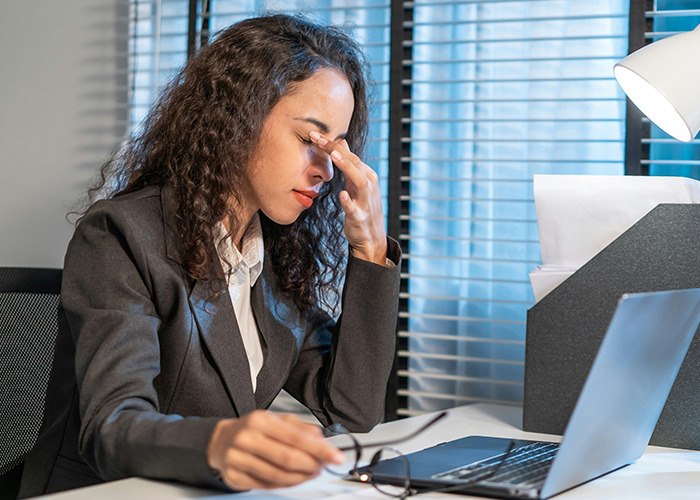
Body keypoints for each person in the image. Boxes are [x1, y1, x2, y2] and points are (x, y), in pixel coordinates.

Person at [18, 13, 400, 497]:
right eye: (310, 140)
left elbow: (352, 407)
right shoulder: (121, 235)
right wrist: (222, 443)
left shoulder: (273, 258)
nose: (327, 170)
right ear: (240, 118)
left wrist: (369, 250)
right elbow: (111, 426)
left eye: (336, 149)